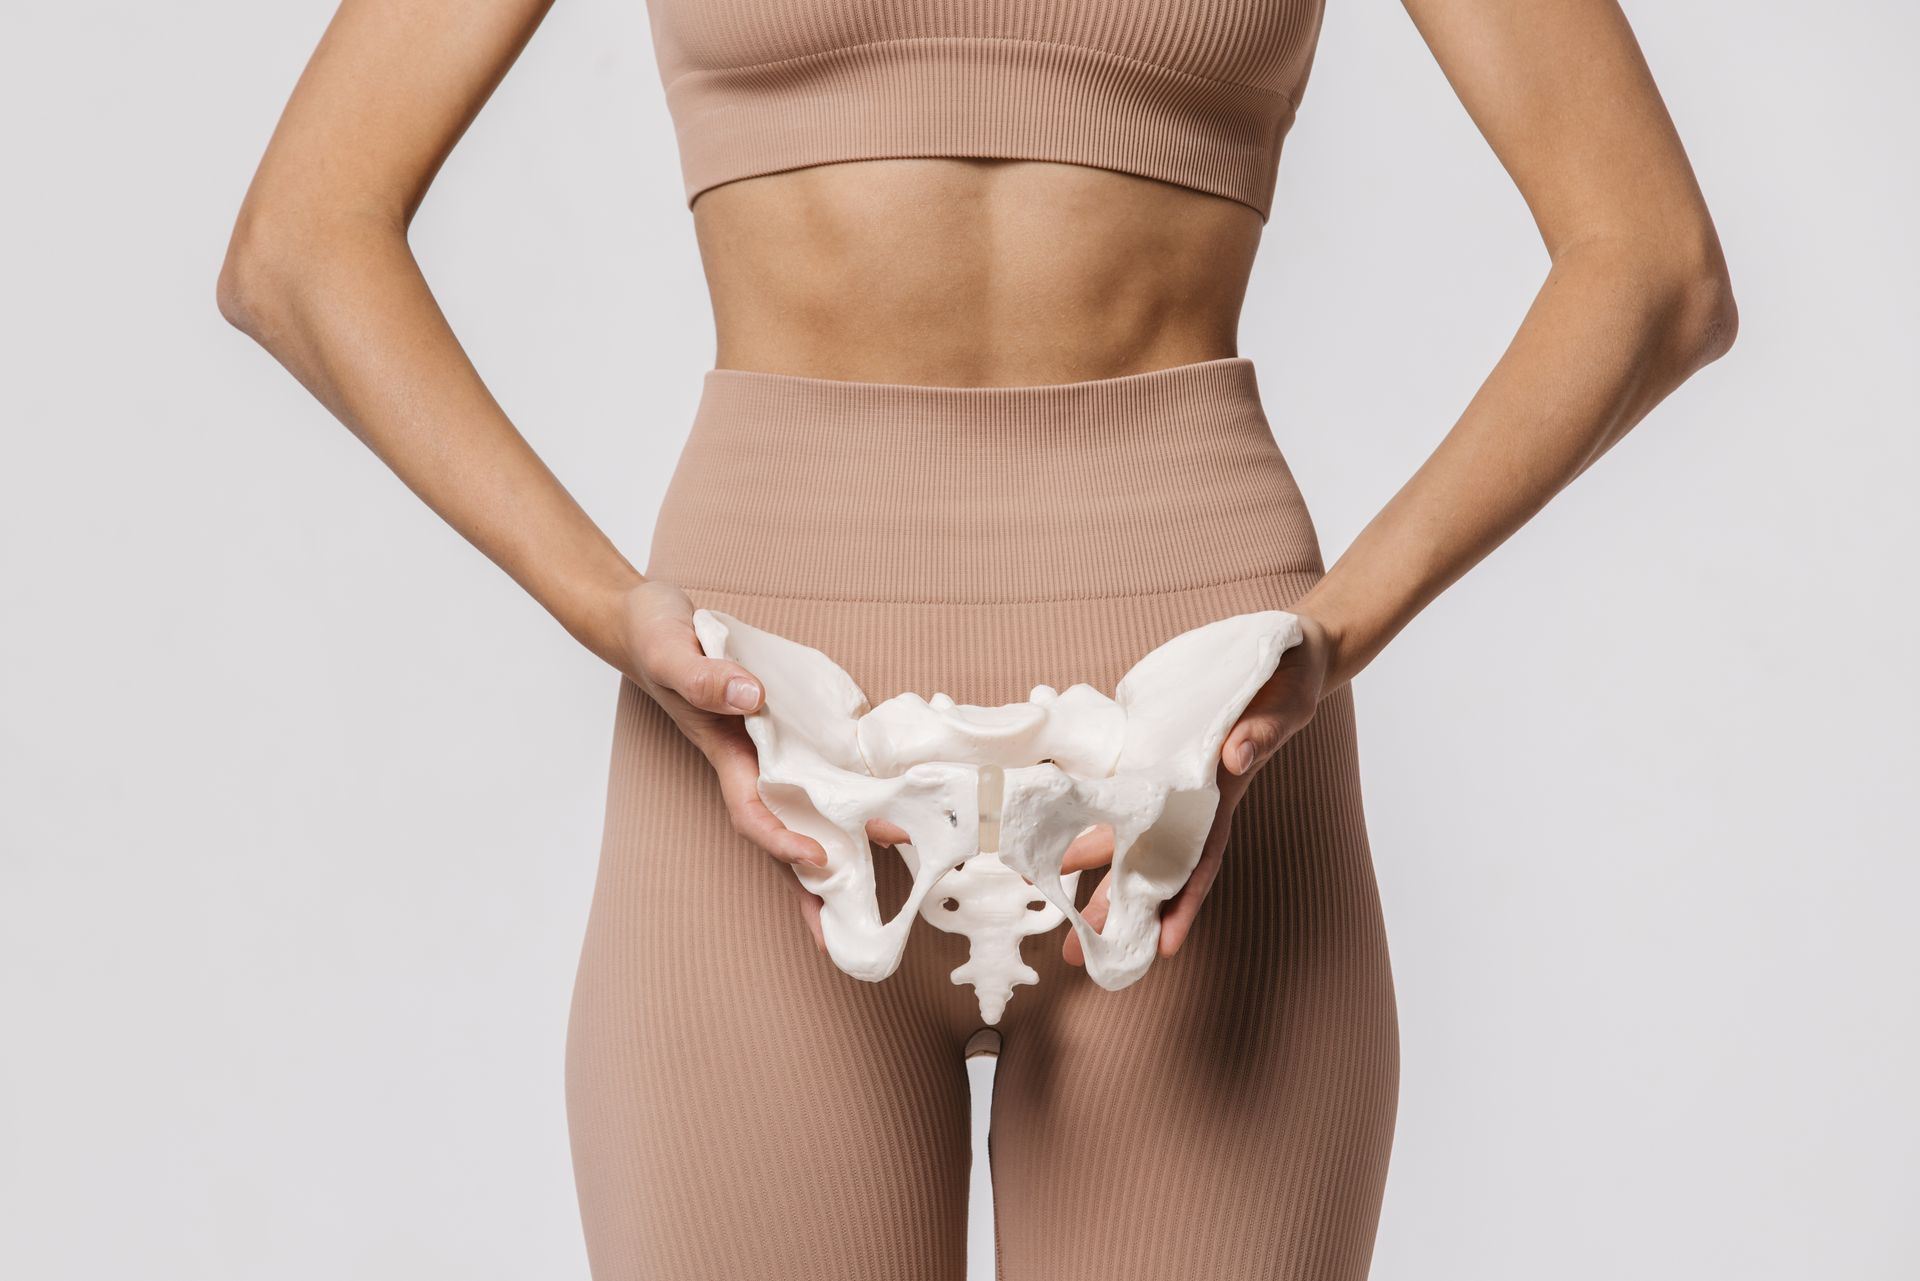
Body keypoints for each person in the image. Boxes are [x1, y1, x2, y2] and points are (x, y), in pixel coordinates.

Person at [217, 1, 1735, 1277]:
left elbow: (1653, 263)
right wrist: (609, 608)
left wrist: (1324, 640)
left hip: (1193, 759)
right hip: (763, 752)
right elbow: (301, 240)